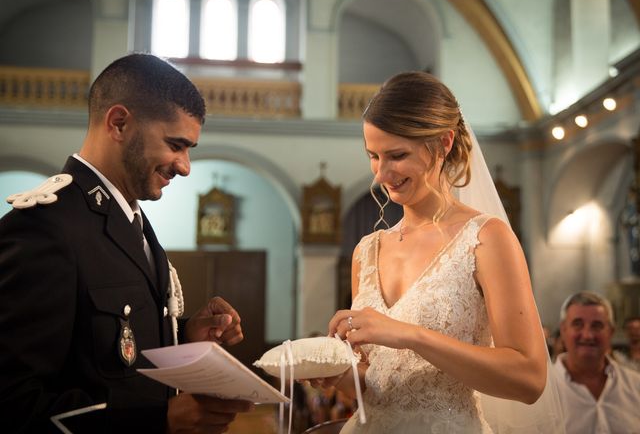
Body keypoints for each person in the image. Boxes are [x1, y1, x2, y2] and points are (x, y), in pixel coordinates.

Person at [0, 53, 253, 433]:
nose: (185, 166)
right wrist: (158, 420)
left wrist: (183, 334)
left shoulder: (130, 220)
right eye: (175, 144)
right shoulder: (46, 228)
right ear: (119, 123)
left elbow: (103, 347)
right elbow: (12, 401)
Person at [311, 71, 561, 433]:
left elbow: (529, 379)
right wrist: (339, 374)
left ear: (443, 143)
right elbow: (381, 388)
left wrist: (409, 334)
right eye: (373, 156)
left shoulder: (486, 238)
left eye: (397, 155)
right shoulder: (366, 251)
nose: (381, 174)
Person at [553, 291, 640, 433]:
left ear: (610, 332)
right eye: (578, 324)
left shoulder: (636, 386)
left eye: (597, 325)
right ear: (563, 330)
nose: (587, 335)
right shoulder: (543, 391)